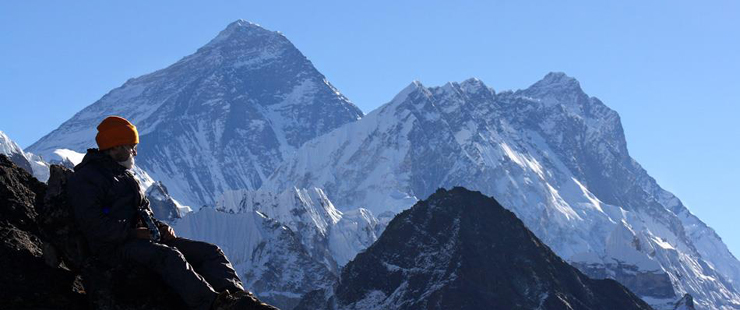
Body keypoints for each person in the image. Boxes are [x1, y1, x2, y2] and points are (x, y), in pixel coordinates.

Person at [67, 116, 278, 310]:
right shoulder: (87, 178)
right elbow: (93, 224)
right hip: (113, 248)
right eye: (132, 147)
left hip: (142, 240)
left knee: (210, 252)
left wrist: (159, 227)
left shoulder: (124, 176)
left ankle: (237, 299)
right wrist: (132, 233)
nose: (135, 153)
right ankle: (212, 304)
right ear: (116, 147)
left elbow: (143, 209)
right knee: (169, 256)